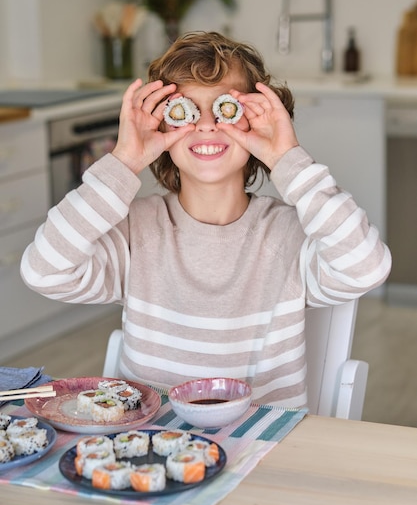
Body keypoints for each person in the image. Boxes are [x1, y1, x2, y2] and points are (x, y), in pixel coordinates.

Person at [20, 31, 391, 407]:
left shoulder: (289, 236)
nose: (207, 124)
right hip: (152, 445)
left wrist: (287, 157)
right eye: (185, 110)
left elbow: (366, 267)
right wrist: (124, 162)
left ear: (256, 119)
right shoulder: (137, 231)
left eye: (226, 108)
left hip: (261, 446)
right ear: (161, 126)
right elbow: (43, 271)